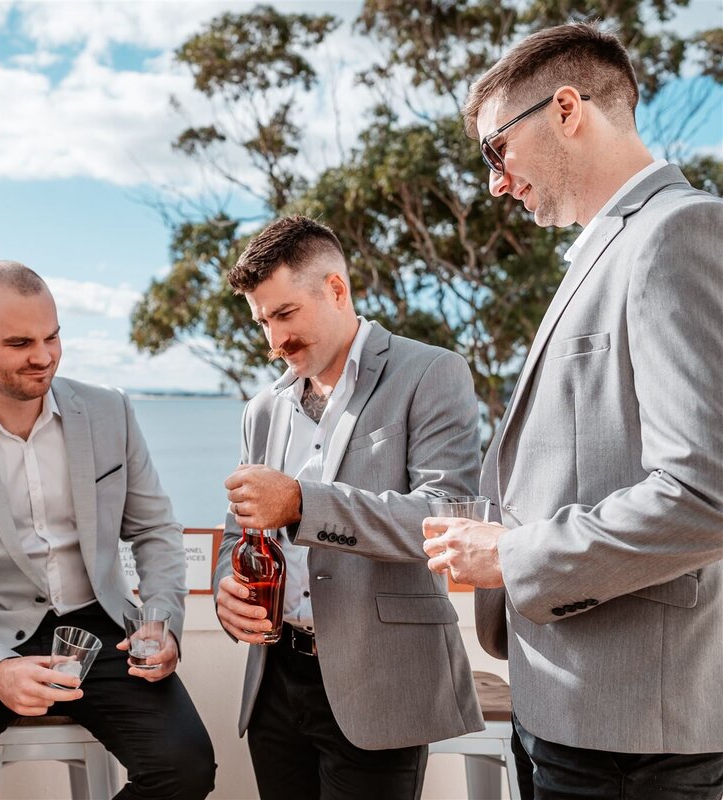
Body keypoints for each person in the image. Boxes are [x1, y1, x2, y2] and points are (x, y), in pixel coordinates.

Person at [423, 21, 723, 799]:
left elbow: (705, 494)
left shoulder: (676, 231)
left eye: (496, 149)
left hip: (636, 738)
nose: (494, 181)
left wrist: (512, 556)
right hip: (567, 707)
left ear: (566, 110)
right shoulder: (606, 246)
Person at [0, 261, 215, 799]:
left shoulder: (111, 411)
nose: (43, 356)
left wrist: (163, 624)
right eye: (20, 343)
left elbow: (154, 529)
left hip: (104, 629)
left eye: (53, 336)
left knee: (187, 767)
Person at [212, 215, 485, 799]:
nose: (273, 341)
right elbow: (239, 532)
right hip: (274, 682)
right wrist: (225, 591)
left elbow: (442, 518)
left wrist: (302, 503)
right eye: (262, 321)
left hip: (379, 681)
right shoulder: (260, 410)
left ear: (336, 290)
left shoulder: (432, 373)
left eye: (285, 315)